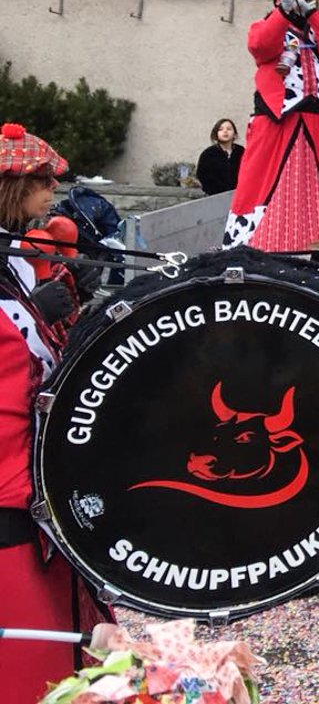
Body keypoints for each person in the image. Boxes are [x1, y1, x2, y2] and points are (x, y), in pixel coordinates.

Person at [0, 124, 105, 703]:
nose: (53, 192)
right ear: (14, 187)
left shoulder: (16, 250)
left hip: (31, 452)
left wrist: (70, 295)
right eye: (44, 182)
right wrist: (32, 309)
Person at [224, 0, 319, 250]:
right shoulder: (266, 25)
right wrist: (283, 11)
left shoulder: (313, 30)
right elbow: (261, 46)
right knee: (262, 179)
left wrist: (311, 13)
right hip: (279, 114)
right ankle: (249, 241)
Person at [195, 117, 243, 196]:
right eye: (220, 129)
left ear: (234, 134)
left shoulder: (241, 152)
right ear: (216, 134)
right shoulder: (208, 154)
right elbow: (203, 176)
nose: (225, 131)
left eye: (229, 129)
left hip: (238, 195)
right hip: (215, 196)